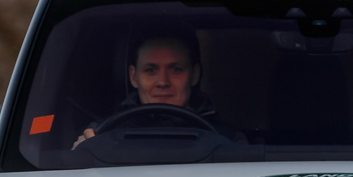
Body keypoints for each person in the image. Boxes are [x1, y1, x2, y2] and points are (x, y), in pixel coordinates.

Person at [74, 33, 244, 146]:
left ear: (195, 75)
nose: (162, 82)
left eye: (176, 69)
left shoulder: (226, 140)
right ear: (134, 77)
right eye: (151, 70)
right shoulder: (101, 136)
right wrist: (82, 154)